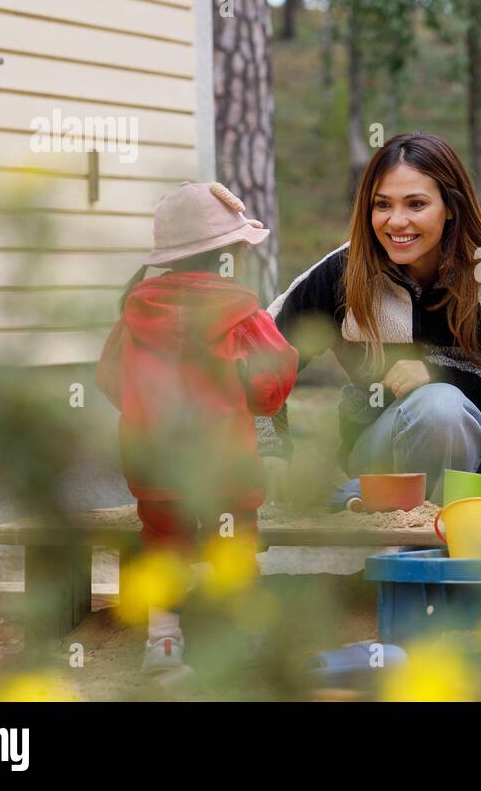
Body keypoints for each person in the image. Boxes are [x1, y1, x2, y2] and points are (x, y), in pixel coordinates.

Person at [259, 132, 481, 505]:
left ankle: (359, 502)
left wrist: (442, 371)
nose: (396, 221)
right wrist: (271, 448)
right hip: (385, 449)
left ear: (451, 206)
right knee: (440, 409)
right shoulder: (342, 274)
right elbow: (259, 362)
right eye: (382, 205)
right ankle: (417, 533)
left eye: (416, 204)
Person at [97, 182, 298, 676]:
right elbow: (271, 391)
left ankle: (163, 644)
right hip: (226, 463)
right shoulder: (244, 318)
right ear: (231, 254)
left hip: (154, 462)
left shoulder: (134, 313)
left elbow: (110, 380)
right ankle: (246, 641)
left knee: (164, 541)